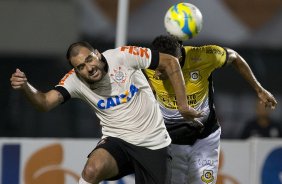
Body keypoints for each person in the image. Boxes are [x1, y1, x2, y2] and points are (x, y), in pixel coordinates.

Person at [10, 41, 203, 184]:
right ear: (76, 71)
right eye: (81, 67)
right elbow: (44, 102)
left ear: (96, 54)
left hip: (154, 143)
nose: (89, 68)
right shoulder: (74, 81)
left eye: (89, 60)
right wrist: (26, 86)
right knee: (92, 170)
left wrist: (183, 106)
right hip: (117, 140)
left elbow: (170, 62)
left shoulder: (123, 56)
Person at [143, 35, 277, 184]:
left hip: (204, 138)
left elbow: (234, 57)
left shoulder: (203, 56)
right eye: (157, 66)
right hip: (170, 141)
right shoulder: (145, 61)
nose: (157, 73)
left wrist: (259, 90)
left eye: (163, 68)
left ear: (178, 60)